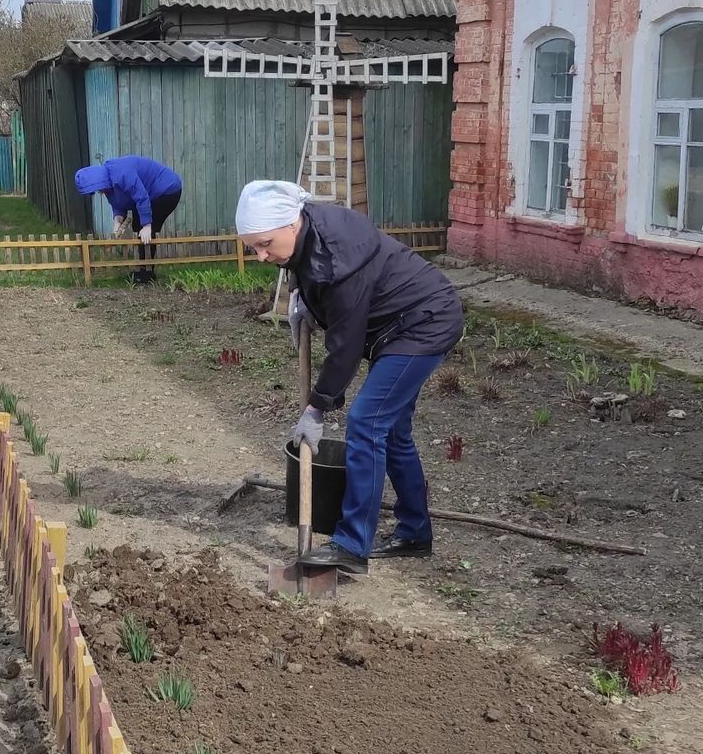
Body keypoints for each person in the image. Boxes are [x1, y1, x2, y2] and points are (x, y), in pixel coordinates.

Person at [234, 180, 463, 575]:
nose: (260, 255)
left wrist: (317, 407)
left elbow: (345, 346)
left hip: (424, 322)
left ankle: (351, 546)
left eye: (265, 244)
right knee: (392, 432)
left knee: (367, 422)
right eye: (252, 246)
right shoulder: (307, 233)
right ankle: (414, 532)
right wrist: (303, 297)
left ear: (292, 224)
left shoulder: (339, 261)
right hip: (395, 327)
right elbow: (302, 265)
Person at [74, 156, 183, 283]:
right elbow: (118, 203)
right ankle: (145, 270)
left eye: (98, 189)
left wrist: (147, 225)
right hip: (152, 194)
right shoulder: (109, 183)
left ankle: (146, 274)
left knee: (144, 228)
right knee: (138, 226)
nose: (99, 192)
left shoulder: (121, 173)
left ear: (99, 181)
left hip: (167, 189)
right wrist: (117, 219)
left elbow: (141, 196)